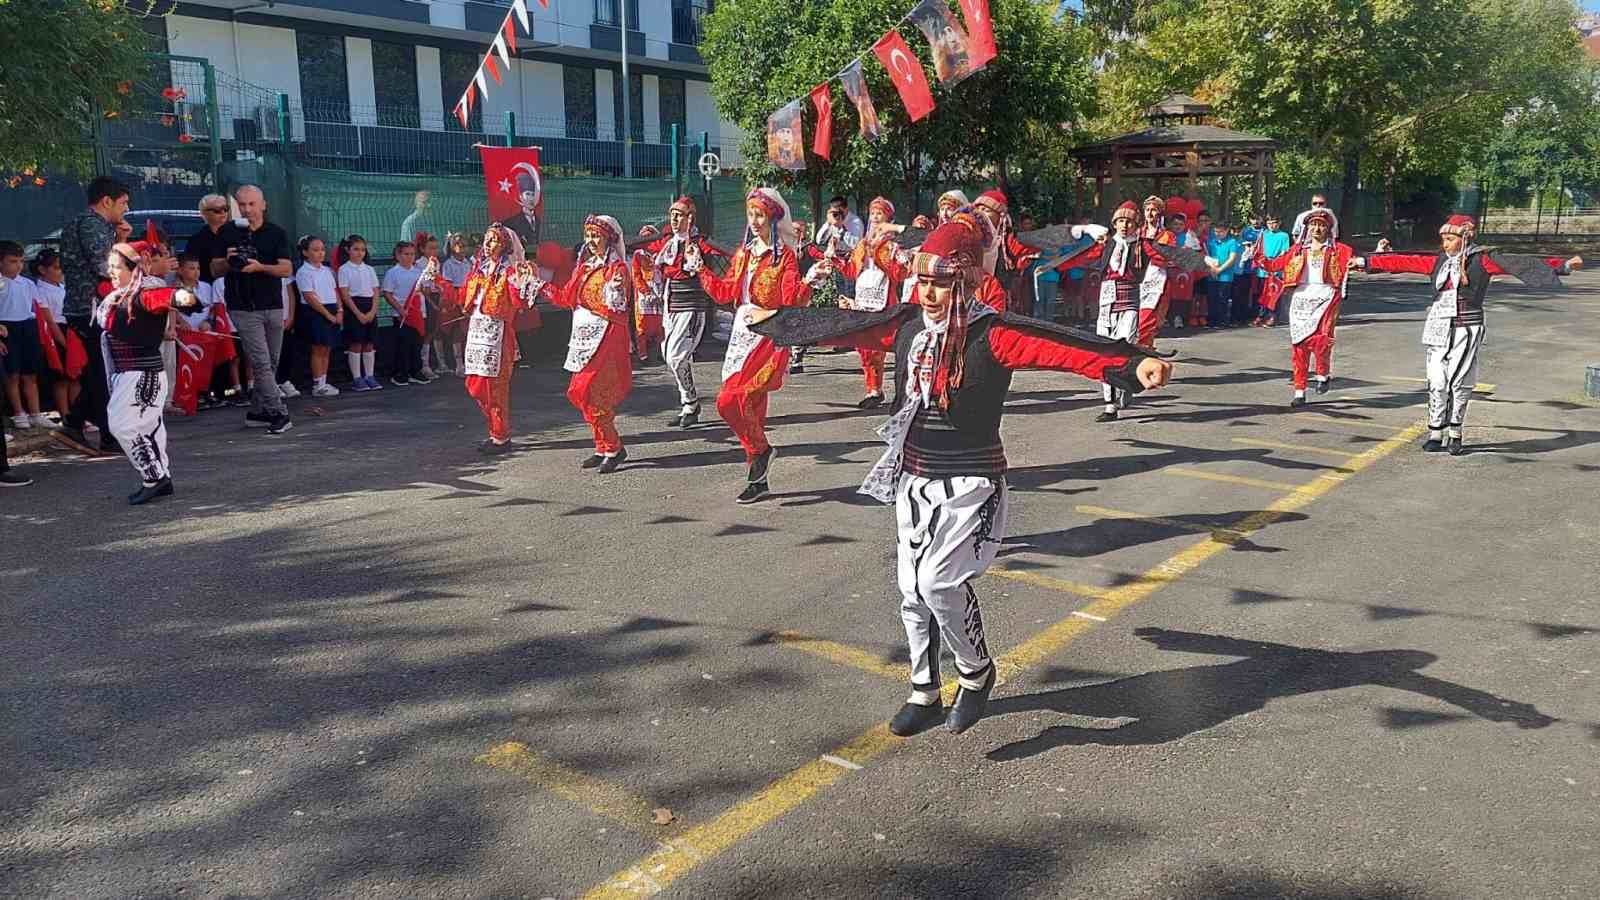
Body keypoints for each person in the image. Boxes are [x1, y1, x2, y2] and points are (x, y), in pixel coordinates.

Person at [748, 212, 1173, 736]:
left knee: (938, 583)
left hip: (972, 482)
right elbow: (846, 324)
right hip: (914, 476)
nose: (929, 293)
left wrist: (1131, 364)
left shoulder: (992, 334)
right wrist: (780, 320)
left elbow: (1059, 344)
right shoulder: (905, 328)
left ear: (967, 280)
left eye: (942, 282)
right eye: (923, 281)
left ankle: (975, 674)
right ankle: (923, 690)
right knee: (910, 589)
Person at [1355, 216, 1583, 454]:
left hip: (1467, 326)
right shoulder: (1440, 261)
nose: (1445, 244)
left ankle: (1455, 432)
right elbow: (1405, 261)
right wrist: (1364, 261)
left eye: (1450, 239)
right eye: (1443, 239)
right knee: (1437, 381)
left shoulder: (1482, 260)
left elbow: (1519, 263)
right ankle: (1435, 431)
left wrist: (1563, 265)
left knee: (1458, 381)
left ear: (1464, 238)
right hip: (1438, 326)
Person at [698, 187, 826, 503]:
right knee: (747, 406)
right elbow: (728, 293)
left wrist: (809, 282)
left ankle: (760, 452)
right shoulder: (745, 254)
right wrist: (699, 268)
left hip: (768, 335)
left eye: (760, 215)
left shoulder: (784, 259)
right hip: (742, 334)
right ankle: (759, 472)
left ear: (772, 218)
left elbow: (790, 299)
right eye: (751, 214)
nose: (754, 221)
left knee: (731, 400)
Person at [1063, 201, 1196, 422]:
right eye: (1120, 221)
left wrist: (1202, 261)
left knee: (1123, 347)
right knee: (1104, 352)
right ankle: (1109, 405)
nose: (1124, 225)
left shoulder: (1143, 245)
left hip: (1131, 302)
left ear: (1136, 224)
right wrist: (1051, 262)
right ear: (1114, 223)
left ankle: (1128, 382)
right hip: (1107, 302)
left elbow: (1167, 256)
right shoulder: (1106, 244)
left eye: (1129, 221)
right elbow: (1080, 257)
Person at [99, 239, 202, 503]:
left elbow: (166, 298)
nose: (111, 272)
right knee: (149, 427)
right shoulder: (119, 295)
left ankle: (155, 477)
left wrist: (182, 297)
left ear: (134, 269)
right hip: (135, 374)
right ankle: (160, 475)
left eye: (116, 267)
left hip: (139, 375)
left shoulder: (144, 295)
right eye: (109, 266)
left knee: (123, 425)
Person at [432, 223, 543, 453]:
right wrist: (439, 280)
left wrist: (526, 284)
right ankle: (497, 431)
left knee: (495, 388)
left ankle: (500, 436)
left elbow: (520, 301)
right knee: (475, 386)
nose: (488, 243)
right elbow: (461, 298)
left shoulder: (510, 272)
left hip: (498, 338)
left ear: (504, 245)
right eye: (487, 238)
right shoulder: (478, 271)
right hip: (476, 336)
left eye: (494, 239)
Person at [547, 215, 634, 473]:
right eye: (589, 235)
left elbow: (616, 306)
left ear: (608, 238)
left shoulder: (616, 269)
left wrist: (616, 290)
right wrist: (539, 285)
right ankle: (602, 446)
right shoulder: (584, 268)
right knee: (579, 393)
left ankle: (614, 447)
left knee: (593, 391)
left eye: (596, 235)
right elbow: (566, 298)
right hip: (584, 337)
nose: (592, 240)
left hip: (607, 336)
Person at [54, 176, 129, 455]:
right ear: (106, 201)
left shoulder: (95, 225)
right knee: (102, 371)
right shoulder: (92, 224)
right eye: (123, 203)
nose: (125, 209)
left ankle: (76, 423)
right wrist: (126, 253)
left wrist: (119, 239)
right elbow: (106, 267)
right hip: (91, 307)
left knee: (100, 371)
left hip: (91, 306)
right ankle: (102, 433)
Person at [637, 196, 727, 428]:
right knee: (670, 355)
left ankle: (690, 402)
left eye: (680, 215)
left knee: (676, 357)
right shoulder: (667, 242)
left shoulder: (700, 242)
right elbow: (643, 244)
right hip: (671, 303)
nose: (675, 220)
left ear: (691, 218)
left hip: (692, 305)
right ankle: (689, 402)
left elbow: (722, 252)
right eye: (672, 215)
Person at [211, 185, 294, 435]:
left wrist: (260, 267)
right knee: (260, 361)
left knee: (271, 361)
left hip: (272, 304)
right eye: (242, 205)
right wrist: (228, 261)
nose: (247, 210)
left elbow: (286, 269)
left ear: (263, 205)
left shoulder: (276, 233)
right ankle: (278, 412)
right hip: (242, 306)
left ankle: (258, 411)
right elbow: (215, 270)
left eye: (252, 204)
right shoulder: (226, 232)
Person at [1253, 209, 1354, 406]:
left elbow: (1355, 265)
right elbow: (1275, 266)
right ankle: (1299, 390)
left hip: (1326, 296)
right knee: (1299, 345)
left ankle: (1322, 373)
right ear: (1307, 228)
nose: (1317, 228)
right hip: (1301, 298)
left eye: (1322, 225)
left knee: (1322, 340)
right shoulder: (1297, 251)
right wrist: (1258, 257)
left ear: (1329, 229)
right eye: (1313, 225)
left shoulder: (1340, 251)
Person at [837, 196, 912, 408]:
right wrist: (834, 259)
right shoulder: (862, 243)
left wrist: (881, 252)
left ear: (888, 217)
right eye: (873, 213)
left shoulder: (892, 245)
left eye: (880, 213)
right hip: (863, 301)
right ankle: (873, 390)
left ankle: (907, 390)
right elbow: (852, 271)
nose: (876, 217)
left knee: (892, 345)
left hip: (884, 303)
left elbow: (899, 273)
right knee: (866, 348)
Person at [971, 190, 1041, 315]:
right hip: (973, 295)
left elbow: (1029, 250)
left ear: (1000, 215)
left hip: (1001, 294)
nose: (981, 214)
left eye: (986, 210)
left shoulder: (1009, 238)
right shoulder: (969, 236)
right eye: (978, 210)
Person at [0, 241, 45, 431]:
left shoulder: (27, 283)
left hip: (27, 326)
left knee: (30, 373)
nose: (18, 265)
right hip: (6, 328)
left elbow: (35, 308)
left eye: (21, 261)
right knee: (13, 374)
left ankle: (35, 414)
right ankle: (19, 413)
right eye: (12, 261)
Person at [29, 249, 79, 420]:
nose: (61, 271)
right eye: (57, 268)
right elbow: (49, 321)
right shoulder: (39, 290)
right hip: (55, 334)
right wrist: (63, 342)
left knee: (75, 376)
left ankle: (77, 414)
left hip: (71, 331)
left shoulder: (63, 287)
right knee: (61, 379)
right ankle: (65, 415)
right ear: (43, 270)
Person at [294, 235, 343, 397]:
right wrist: (328, 315)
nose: (321, 253)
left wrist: (340, 310)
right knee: (318, 348)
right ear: (305, 252)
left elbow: (335, 291)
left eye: (322, 249)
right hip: (315, 313)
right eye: (315, 250)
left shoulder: (327, 270)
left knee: (326, 347)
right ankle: (317, 384)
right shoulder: (303, 272)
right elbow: (310, 297)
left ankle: (323, 381)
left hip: (331, 310)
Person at [336, 234, 382, 391]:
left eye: (363, 250)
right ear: (348, 250)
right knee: (355, 343)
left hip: (369, 307)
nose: (360, 253)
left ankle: (370, 376)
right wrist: (358, 313)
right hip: (354, 308)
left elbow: (376, 291)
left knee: (369, 343)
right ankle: (357, 377)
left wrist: (372, 311)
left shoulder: (369, 269)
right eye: (356, 249)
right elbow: (345, 294)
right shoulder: (344, 269)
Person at [381, 240, 430, 387]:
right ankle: (401, 373)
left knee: (417, 344)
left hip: (418, 313)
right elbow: (388, 294)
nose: (410, 257)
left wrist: (428, 284)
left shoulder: (419, 271)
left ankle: (416, 371)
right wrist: (400, 309)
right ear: (398, 255)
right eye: (406, 254)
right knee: (403, 345)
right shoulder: (392, 273)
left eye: (412, 254)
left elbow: (425, 291)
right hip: (402, 315)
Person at [437, 232, 473, 375]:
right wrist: (458, 303)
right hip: (454, 299)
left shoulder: (468, 263)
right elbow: (448, 286)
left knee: (466, 331)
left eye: (465, 245)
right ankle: (458, 364)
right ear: (452, 247)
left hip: (468, 297)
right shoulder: (448, 264)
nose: (463, 248)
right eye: (459, 245)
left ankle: (467, 361)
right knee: (456, 331)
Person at [1250, 212, 1292, 326]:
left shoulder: (1284, 236)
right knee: (1261, 294)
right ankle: (1260, 315)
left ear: (1279, 223)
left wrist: (1275, 264)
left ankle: (1272, 316)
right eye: (1269, 223)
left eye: (1274, 223)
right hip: (1263, 269)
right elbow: (1258, 250)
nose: (1272, 225)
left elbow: (1284, 252)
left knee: (1274, 293)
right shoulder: (1263, 234)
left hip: (1275, 269)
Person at [630, 246, 665, 364]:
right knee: (642, 325)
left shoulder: (662, 251)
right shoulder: (638, 254)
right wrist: (646, 291)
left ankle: (662, 351)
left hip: (660, 290)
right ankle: (643, 354)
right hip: (643, 294)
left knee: (660, 324)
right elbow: (636, 276)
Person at [1204, 221, 1243, 328]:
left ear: (1226, 231)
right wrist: (1212, 268)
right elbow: (1207, 255)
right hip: (1212, 273)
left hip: (1225, 275)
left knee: (1222, 298)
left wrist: (1219, 269)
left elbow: (1232, 259)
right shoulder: (1211, 242)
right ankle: (1212, 320)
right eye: (1216, 231)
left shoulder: (1232, 242)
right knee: (1212, 298)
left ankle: (1222, 320)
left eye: (1221, 232)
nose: (1218, 234)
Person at [1233, 214, 1263, 324]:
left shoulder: (1264, 232)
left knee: (1257, 292)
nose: (1255, 221)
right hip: (1245, 267)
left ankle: (1256, 315)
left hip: (1259, 268)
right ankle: (1239, 315)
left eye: (1258, 218)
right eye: (1253, 219)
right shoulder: (1245, 231)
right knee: (1242, 291)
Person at [503, 171, 542, 250]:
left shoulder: (541, 221)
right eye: (527, 194)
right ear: (520, 197)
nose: (531, 198)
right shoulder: (510, 223)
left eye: (533, 194)